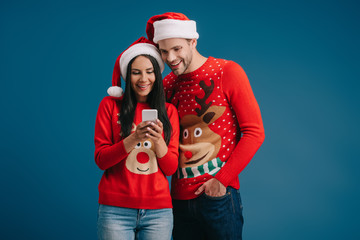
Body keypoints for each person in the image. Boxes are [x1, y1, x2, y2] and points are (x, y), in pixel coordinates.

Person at [146, 12, 265, 240]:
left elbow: (255, 132)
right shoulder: (167, 84)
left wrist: (221, 180)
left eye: (177, 49)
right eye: (163, 51)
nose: (170, 58)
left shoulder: (226, 72)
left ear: (193, 41)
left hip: (217, 197)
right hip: (178, 200)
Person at [94, 36, 180, 240]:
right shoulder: (109, 106)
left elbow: (170, 168)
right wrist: (133, 138)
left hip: (159, 212)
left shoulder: (169, 112)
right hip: (115, 209)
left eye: (150, 72)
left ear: (157, 75)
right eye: (136, 73)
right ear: (127, 75)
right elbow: (101, 160)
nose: (144, 79)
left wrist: (158, 141)